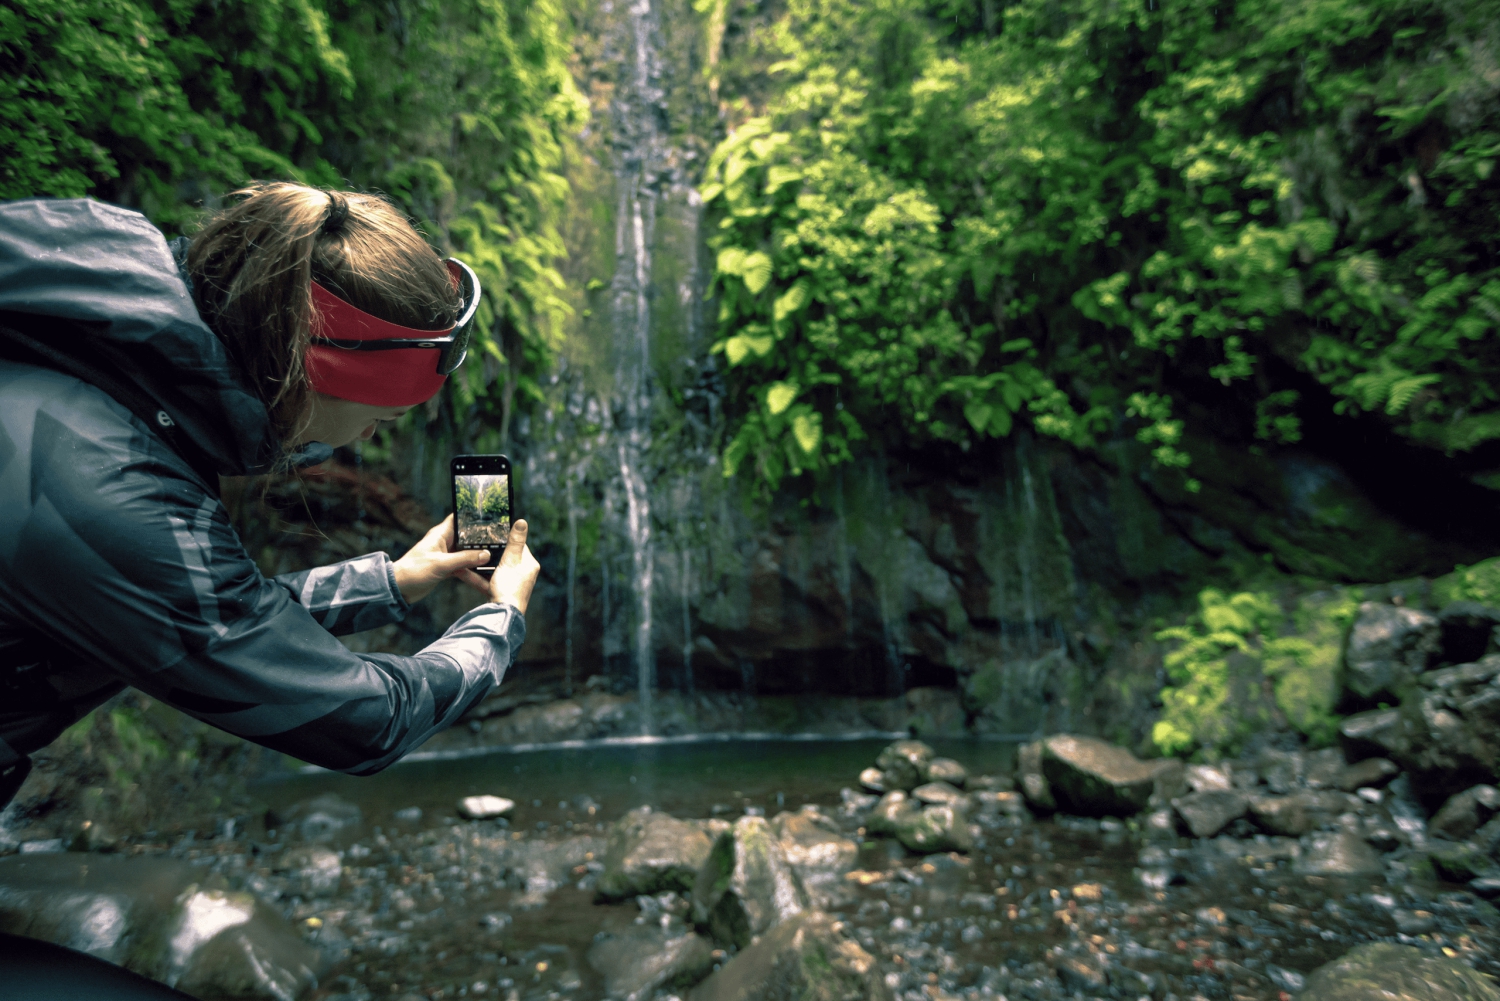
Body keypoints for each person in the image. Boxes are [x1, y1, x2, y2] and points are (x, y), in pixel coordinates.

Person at [0, 183, 541, 813]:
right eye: (382, 418)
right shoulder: (113, 490)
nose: (370, 436)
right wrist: (501, 620)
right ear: (314, 373)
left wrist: (392, 582)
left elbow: (211, 611)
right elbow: (367, 720)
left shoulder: (95, 356)